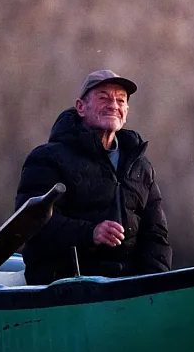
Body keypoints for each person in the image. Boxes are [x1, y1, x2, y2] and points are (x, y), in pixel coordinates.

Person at [15, 69, 172, 285]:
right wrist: (90, 233)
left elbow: (155, 236)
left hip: (127, 291)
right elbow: (30, 223)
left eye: (120, 100)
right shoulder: (47, 158)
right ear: (80, 107)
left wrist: (153, 287)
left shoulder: (141, 167)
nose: (113, 105)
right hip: (63, 291)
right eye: (103, 98)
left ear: (126, 111)